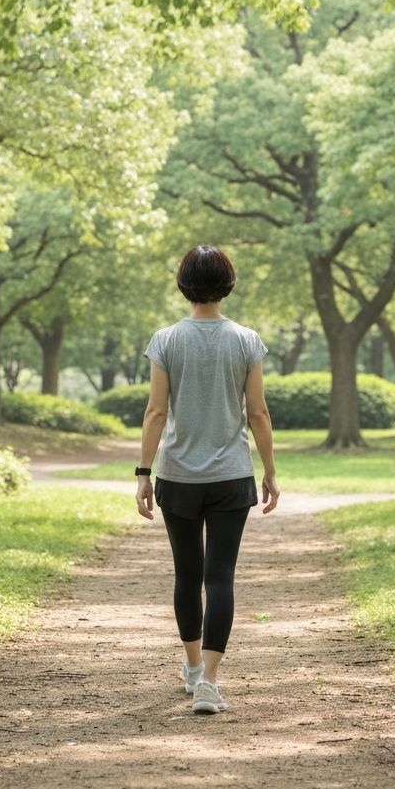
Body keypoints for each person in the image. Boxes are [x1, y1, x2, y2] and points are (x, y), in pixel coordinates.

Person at [136, 244, 278, 715]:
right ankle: (209, 685)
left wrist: (143, 473)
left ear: (184, 284)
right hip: (231, 475)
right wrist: (270, 472)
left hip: (177, 476)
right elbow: (257, 413)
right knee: (220, 576)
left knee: (187, 573)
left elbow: (156, 413)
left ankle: (194, 667)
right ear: (227, 283)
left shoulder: (165, 340)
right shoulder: (247, 341)